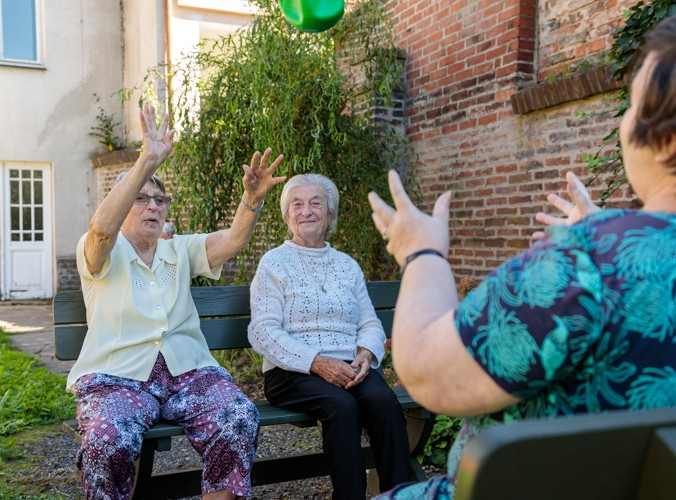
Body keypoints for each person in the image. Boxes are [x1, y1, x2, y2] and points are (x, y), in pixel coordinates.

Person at [367, 16, 676, 499]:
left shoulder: (588, 263)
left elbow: (429, 372)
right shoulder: (608, 256)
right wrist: (617, 236)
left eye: (632, 106)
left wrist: (421, 250)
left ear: (667, 141)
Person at [68, 104, 286, 499]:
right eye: (140, 197)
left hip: (190, 372)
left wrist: (251, 199)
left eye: (160, 199)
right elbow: (102, 227)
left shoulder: (178, 250)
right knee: (107, 437)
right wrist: (146, 161)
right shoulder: (102, 249)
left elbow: (233, 240)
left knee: (238, 415)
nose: (153, 205)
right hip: (118, 378)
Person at [247, 173, 411, 499]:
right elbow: (263, 331)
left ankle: (402, 494)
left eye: (315, 203)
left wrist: (366, 354)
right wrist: (317, 362)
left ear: (329, 214)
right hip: (292, 371)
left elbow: (370, 323)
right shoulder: (273, 263)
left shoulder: (347, 265)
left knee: (384, 401)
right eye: (297, 204)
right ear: (287, 215)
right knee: (342, 406)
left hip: (350, 365)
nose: (306, 211)